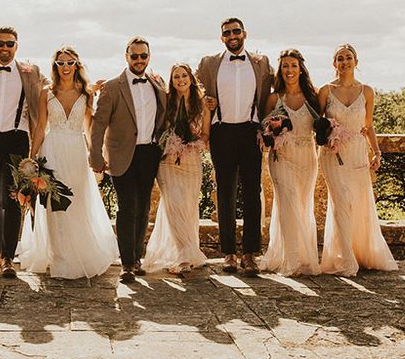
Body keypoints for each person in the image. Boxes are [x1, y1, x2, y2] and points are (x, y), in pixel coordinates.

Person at [19, 46, 117, 279]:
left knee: (77, 202)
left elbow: (89, 128)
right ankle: (60, 258)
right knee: (53, 204)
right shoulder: (46, 92)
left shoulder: (86, 93)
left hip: (75, 152)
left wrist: (96, 156)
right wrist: (32, 160)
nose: (65, 67)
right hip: (51, 150)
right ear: (55, 66)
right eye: (60, 63)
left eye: (69, 62)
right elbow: (41, 126)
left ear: (77, 65)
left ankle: (79, 255)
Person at [197, 18, 274, 276]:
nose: (232, 36)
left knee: (253, 193)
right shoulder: (208, 63)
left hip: (250, 131)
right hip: (221, 132)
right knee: (225, 193)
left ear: (245, 34)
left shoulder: (261, 63)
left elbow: (273, 95)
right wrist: (204, 102)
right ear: (222, 38)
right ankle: (229, 253)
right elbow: (192, 94)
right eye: (227, 33)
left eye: (236, 31)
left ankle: (250, 254)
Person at [89, 36, 167, 283]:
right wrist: (95, 155)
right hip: (121, 155)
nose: (139, 60)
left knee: (143, 208)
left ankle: (137, 257)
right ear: (126, 57)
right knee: (127, 208)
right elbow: (98, 124)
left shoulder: (157, 86)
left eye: (144, 56)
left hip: (149, 153)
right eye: (135, 56)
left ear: (149, 57)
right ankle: (126, 263)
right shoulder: (112, 87)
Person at [0, 27, 46, 278]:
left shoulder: (30, 71)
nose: (5, 48)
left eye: (10, 44)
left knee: (13, 199)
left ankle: (9, 258)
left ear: (17, 45)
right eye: (0, 44)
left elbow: (55, 87)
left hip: (17, 139)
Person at [318, 44, 397, 276]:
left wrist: (377, 152)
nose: (344, 62)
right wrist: (327, 136)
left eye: (348, 58)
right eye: (340, 58)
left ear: (356, 61)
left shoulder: (367, 91)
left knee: (358, 203)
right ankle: (345, 259)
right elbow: (317, 123)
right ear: (334, 63)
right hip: (333, 153)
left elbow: (369, 125)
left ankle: (361, 252)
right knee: (341, 202)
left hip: (357, 153)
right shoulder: (325, 91)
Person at [142, 63, 210, 275]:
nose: (180, 80)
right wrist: (171, 142)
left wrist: (193, 143)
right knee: (174, 204)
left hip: (191, 161)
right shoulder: (166, 102)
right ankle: (183, 255)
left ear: (190, 77)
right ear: (171, 81)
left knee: (188, 207)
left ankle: (187, 253)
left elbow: (206, 134)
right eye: (176, 77)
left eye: (183, 75)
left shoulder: (202, 105)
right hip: (167, 162)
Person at [258, 49, 321, 277]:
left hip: (307, 156)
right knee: (287, 204)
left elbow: (322, 126)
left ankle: (303, 257)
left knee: (303, 206)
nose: (289, 70)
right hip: (281, 157)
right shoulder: (274, 99)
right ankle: (291, 260)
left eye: (293, 65)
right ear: (280, 70)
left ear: (301, 68)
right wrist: (271, 133)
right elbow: (264, 127)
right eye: (285, 66)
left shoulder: (312, 96)